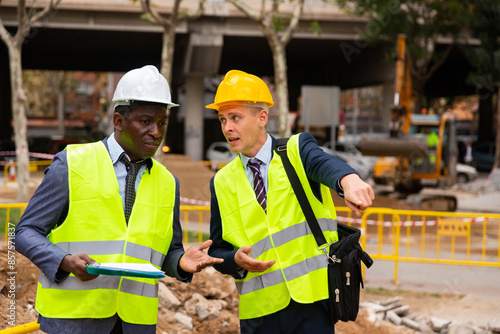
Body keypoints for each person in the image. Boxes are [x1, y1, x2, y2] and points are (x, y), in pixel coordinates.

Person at [15, 65, 223, 334]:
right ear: (118, 121)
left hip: (135, 324)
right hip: (73, 320)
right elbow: (25, 232)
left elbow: (166, 252)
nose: (156, 132)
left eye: (161, 122)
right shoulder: (72, 164)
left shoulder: (168, 183)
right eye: (145, 121)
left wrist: (181, 262)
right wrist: (65, 261)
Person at [206, 70, 375, 334]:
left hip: (312, 305)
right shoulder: (220, 182)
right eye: (223, 119)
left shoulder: (296, 150)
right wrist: (234, 260)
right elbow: (217, 250)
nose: (228, 128)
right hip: (259, 314)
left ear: (262, 117)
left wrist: (348, 180)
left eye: (235, 117)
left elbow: (324, 164)